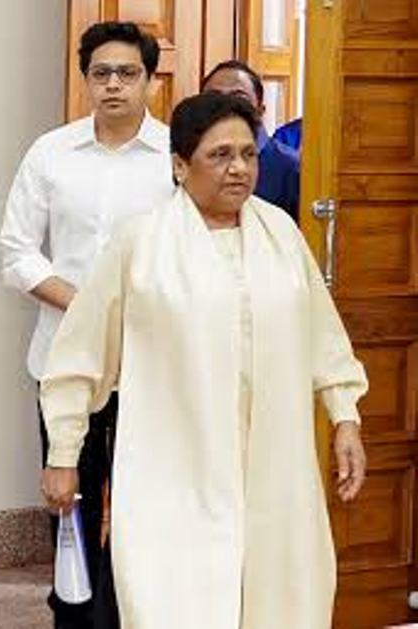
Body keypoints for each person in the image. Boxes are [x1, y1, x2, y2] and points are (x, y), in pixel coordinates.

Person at [40, 92, 368, 629]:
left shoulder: (282, 234)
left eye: (248, 154)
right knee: (178, 600)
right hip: (174, 469)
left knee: (281, 596)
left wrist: (345, 416)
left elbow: (323, 336)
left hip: (273, 467)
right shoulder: (140, 244)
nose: (239, 168)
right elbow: (79, 357)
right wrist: (63, 453)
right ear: (179, 165)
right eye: (220, 155)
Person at [0, 21, 174, 629]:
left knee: (142, 507)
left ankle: (129, 615)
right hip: (63, 358)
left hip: (150, 362)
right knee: (67, 499)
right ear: (86, 81)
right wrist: (87, 307)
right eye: (101, 73)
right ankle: (73, 615)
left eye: (127, 73)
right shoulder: (51, 153)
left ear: (150, 80)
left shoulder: (175, 158)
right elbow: (17, 252)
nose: (113, 85)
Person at [201, 60, 300, 222]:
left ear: (260, 110)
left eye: (239, 98)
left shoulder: (291, 167)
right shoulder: (191, 161)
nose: (225, 106)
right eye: (213, 97)